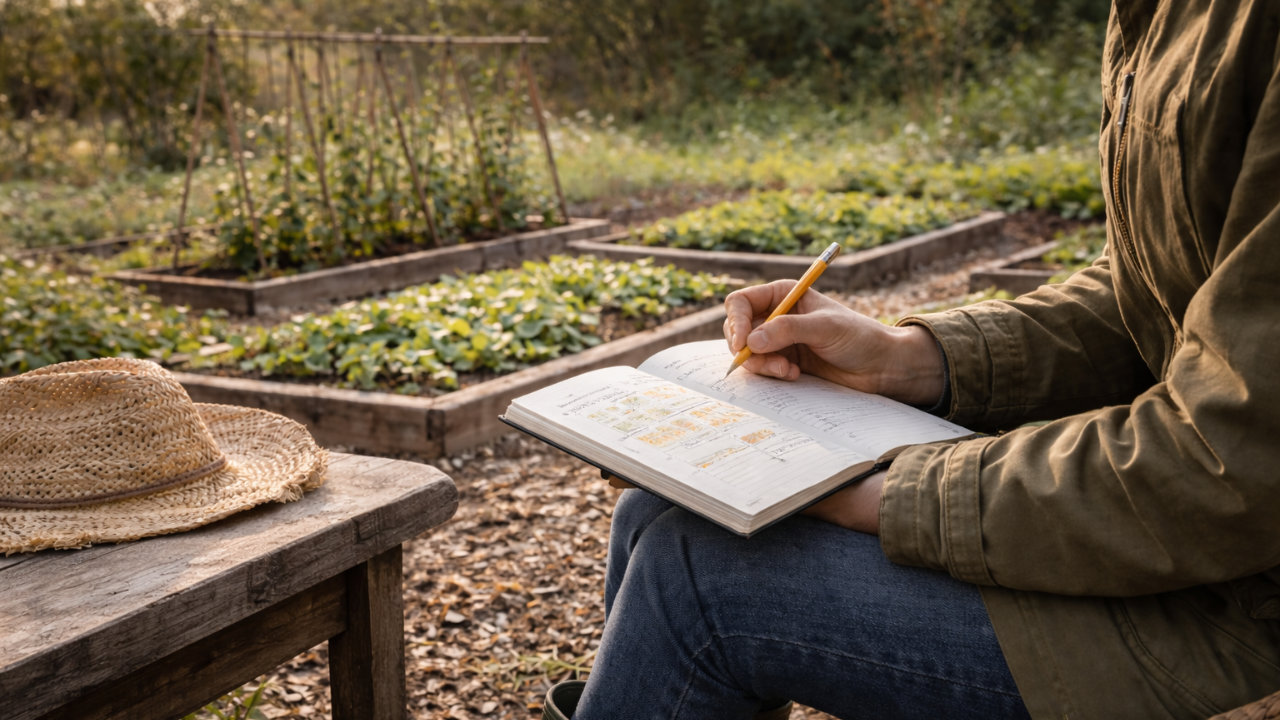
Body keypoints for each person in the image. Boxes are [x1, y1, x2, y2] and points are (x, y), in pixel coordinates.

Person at [541, 0, 1280, 717]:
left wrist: (876, 494)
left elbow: (1234, 462)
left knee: (693, 581)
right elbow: (1147, 294)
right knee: (651, 511)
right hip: (1168, 537)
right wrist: (911, 358)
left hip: (1230, 592)